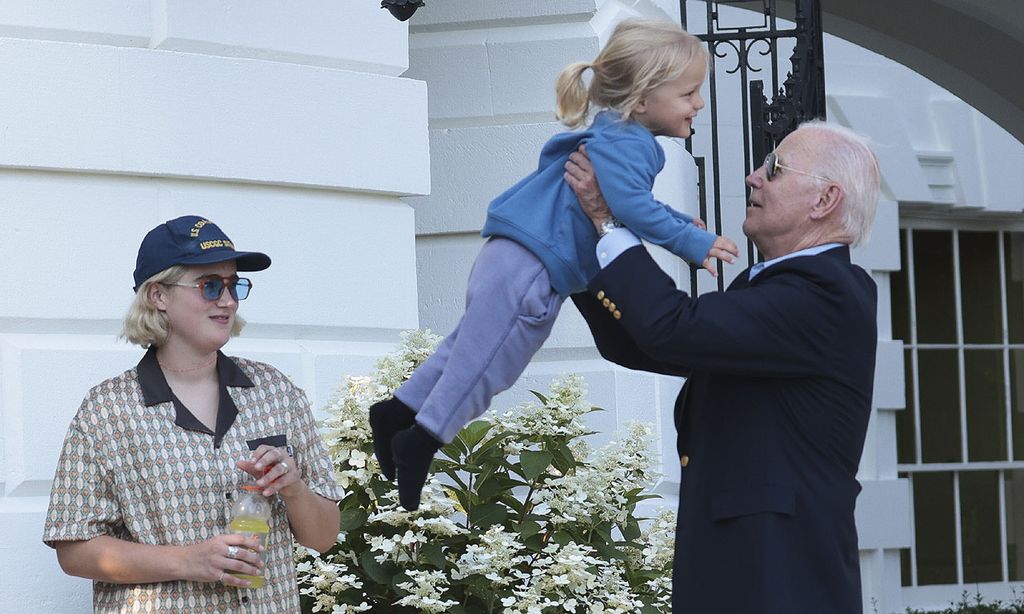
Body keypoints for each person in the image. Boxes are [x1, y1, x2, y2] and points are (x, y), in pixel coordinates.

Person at [368, 19, 739, 511]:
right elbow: (628, 206)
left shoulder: (614, 134)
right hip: (531, 266)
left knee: (465, 349)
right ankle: (422, 440)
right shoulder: (634, 145)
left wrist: (675, 220)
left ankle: (397, 411)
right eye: (690, 93)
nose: (699, 103)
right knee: (487, 365)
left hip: (513, 254)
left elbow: (623, 199)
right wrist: (691, 240)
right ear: (645, 98)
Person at [564, 120, 881, 613]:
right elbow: (647, 346)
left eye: (774, 169)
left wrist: (609, 222)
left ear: (824, 201)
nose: (754, 177)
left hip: (779, 582)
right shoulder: (785, 288)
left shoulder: (825, 293)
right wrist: (579, 251)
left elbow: (674, 329)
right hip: (746, 574)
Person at [43, 216, 342, 613]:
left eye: (234, 284)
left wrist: (294, 487)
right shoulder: (108, 412)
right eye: (210, 285)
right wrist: (188, 560)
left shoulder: (276, 392)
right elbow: (74, 549)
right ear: (157, 295)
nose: (228, 300)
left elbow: (323, 538)